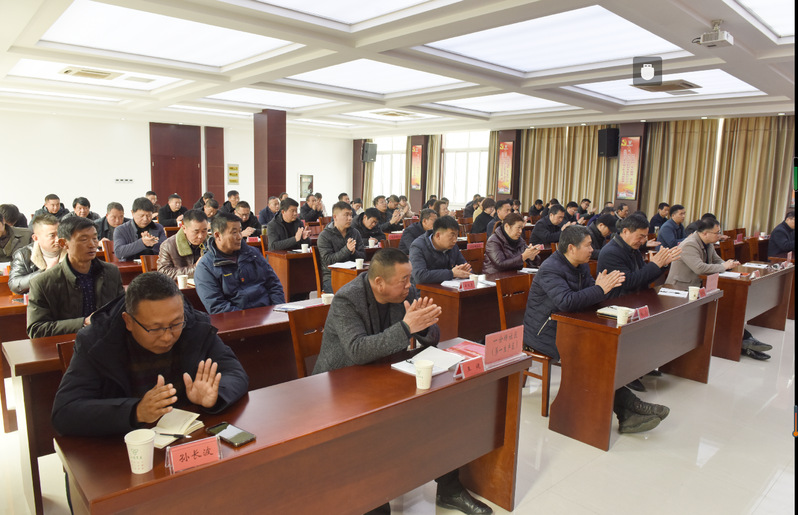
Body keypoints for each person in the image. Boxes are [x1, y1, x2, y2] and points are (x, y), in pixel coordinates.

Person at [312, 249, 491, 515]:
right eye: (403, 280)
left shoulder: (405, 291)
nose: (410, 285)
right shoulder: (347, 299)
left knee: (443, 408)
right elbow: (357, 350)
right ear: (379, 282)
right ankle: (373, 501)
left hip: (385, 373)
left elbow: (431, 334)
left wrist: (424, 326)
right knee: (373, 432)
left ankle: (450, 488)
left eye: (410, 278)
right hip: (342, 384)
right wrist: (407, 328)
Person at [51, 271, 249, 437]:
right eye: (155, 328)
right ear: (128, 321)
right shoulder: (97, 341)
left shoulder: (195, 325)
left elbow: (235, 373)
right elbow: (65, 412)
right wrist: (136, 411)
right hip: (127, 447)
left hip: (187, 437)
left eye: (175, 324)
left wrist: (215, 395)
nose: (167, 336)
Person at [523, 225, 671, 434]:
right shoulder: (551, 268)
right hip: (543, 333)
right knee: (590, 357)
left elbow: (591, 295)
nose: (592, 250)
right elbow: (567, 301)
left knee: (602, 351)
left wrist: (602, 289)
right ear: (572, 248)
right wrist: (600, 289)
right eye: (588, 245)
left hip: (569, 327)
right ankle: (630, 408)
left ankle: (628, 411)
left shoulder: (581, 265)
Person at [665, 218, 771, 360]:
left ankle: (745, 341)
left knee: (722, 309)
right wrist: (723, 266)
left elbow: (717, 260)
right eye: (717, 233)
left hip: (699, 287)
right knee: (715, 312)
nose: (719, 236)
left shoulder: (707, 243)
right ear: (705, 233)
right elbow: (699, 268)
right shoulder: (689, 244)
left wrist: (729, 264)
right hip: (681, 289)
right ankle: (746, 342)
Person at [27, 217, 124, 338]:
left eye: (95, 238)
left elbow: (122, 310)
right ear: (63, 243)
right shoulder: (43, 282)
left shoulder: (111, 272)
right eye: (83, 239)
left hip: (106, 340)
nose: (92, 244)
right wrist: (83, 323)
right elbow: (36, 329)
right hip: (68, 343)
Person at [194, 212, 285, 314]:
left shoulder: (253, 254)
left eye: (240, 231)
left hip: (267, 314)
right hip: (237, 320)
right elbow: (217, 306)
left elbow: (274, 284)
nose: (239, 237)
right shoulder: (205, 267)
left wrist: (277, 311)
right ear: (218, 235)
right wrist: (248, 318)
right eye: (234, 232)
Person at [597, 215, 682, 298]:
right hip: (617, 301)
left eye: (645, 237)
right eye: (640, 237)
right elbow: (628, 282)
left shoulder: (633, 248)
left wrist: (662, 264)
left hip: (636, 298)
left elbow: (645, 278)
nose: (643, 241)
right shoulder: (611, 252)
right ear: (625, 231)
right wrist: (654, 265)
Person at [9, 214, 65, 294]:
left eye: (60, 234)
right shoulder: (23, 255)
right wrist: (45, 273)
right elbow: (15, 285)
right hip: (39, 298)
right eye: (52, 236)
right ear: (35, 238)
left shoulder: (72, 250)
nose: (58, 239)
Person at [317, 202, 365, 293]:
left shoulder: (355, 232)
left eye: (351, 215)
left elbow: (363, 255)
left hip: (353, 274)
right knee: (349, 293)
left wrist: (354, 252)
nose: (350, 218)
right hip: (332, 277)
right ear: (335, 217)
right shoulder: (324, 235)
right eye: (346, 215)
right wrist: (347, 250)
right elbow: (328, 260)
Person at [409, 216, 471, 284]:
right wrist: (451, 273)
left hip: (448, 287)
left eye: (456, 236)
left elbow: (466, 267)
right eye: (452, 236)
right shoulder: (418, 246)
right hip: (424, 289)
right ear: (438, 235)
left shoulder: (452, 246)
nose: (455, 240)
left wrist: (465, 271)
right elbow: (419, 276)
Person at [157, 209, 209, 280]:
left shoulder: (212, 243)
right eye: (196, 232)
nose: (200, 236)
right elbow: (163, 273)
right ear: (184, 228)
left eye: (204, 231)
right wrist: (195, 268)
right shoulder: (168, 245)